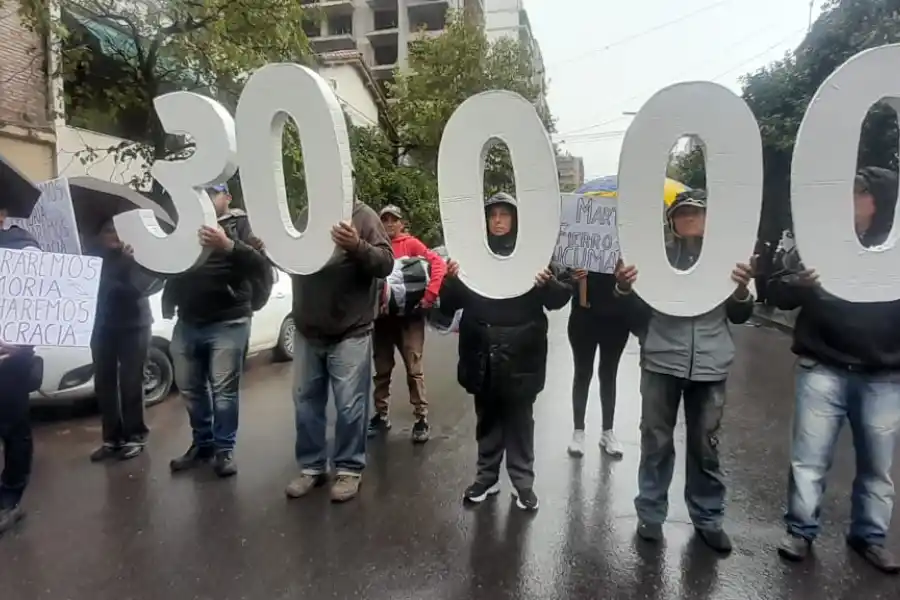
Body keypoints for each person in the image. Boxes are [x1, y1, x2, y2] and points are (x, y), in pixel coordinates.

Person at [770, 166, 900, 574]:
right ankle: (801, 531)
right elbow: (773, 290)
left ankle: (870, 537)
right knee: (808, 459)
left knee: (878, 466)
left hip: (882, 374)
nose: (848, 201)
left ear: (879, 203)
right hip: (822, 367)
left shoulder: (896, 251)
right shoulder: (818, 244)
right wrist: (800, 284)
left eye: (858, 194)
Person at [616, 189, 754, 553]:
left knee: (705, 446)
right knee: (656, 442)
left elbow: (742, 314)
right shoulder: (653, 259)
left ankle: (708, 518)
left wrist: (741, 291)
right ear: (672, 222)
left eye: (696, 212)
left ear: (709, 219)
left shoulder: (729, 260)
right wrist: (625, 288)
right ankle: (650, 512)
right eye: (682, 213)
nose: (689, 218)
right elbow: (633, 318)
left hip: (710, 364)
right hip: (662, 360)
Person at [439, 192, 572, 512]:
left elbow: (559, 298)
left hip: (522, 354)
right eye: (492, 215)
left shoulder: (535, 254)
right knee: (487, 419)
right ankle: (486, 477)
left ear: (515, 219)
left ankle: (523, 482)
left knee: (520, 420)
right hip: (480, 351)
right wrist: (451, 280)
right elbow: (449, 304)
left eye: (504, 214)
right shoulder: (469, 255)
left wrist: (547, 283)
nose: (498, 220)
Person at [285, 195, 393, 504]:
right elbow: (291, 256)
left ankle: (349, 469)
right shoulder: (307, 212)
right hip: (308, 328)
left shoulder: (364, 215)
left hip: (350, 330)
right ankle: (312, 467)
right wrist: (268, 250)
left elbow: (386, 262)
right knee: (305, 402)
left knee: (349, 405)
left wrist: (357, 245)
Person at [163, 183, 268, 478]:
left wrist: (229, 245)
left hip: (228, 321)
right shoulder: (185, 224)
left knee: (224, 392)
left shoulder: (241, 223)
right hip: (188, 320)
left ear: (227, 198)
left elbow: (260, 263)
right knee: (190, 389)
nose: (208, 199)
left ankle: (224, 449)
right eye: (204, 194)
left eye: (214, 194)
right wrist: (140, 255)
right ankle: (203, 444)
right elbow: (168, 266)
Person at [369, 204, 446, 443]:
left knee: (414, 369)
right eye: (385, 220)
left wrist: (429, 297)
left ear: (402, 223)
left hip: (410, 320)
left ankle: (421, 418)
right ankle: (381, 416)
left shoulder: (411, 245)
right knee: (381, 370)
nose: (389, 224)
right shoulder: (376, 247)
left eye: (394, 220)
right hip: (382, 321)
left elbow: (438, 265)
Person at [89, 218, 163, 462]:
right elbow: (102, 287)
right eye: (108, 230)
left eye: (118, 231)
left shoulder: (137, 255)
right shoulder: (91, 256)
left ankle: (136, 436)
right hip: (102, 327)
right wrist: (120, 266)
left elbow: (139, 288)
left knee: (132, 381)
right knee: (104, 383)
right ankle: (112, 439)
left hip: (135, 325)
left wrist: (130, 262)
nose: (114, 235)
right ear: (99, 235)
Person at [0, 212, 42, 537]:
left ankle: (10, 499)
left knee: (13, 426)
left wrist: (19, 341)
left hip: (10, 357)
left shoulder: (24, 247)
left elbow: (44, 304)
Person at [566, 267, 631, 459]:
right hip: (584, 313)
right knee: (582, 372)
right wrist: (571, 277)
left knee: (609, 373)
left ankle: (607, 431)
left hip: (616, 315)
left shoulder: (622, 242)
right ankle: (578, 431)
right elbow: (562, 268)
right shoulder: (580, 239)